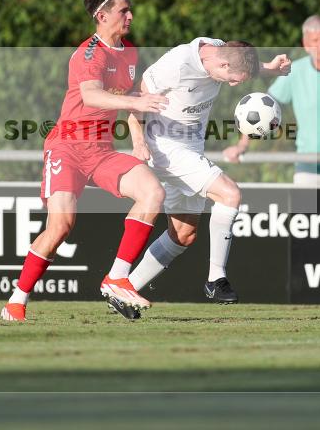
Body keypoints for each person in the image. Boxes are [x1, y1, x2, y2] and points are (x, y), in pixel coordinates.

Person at [1, 0, 169, 322]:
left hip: (101, 151)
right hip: (66, 147)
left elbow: (129, 104)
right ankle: (16, 301)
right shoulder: (89, 54)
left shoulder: (130, 52)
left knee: (153, 193)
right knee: (61, 227)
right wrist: (135, 101)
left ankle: (117, 277)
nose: (130, 16)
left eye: (130, 10)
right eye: (123, 11)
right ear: (102, 16)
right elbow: (92, 95)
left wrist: (138, 142)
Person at [114, 38, 290, 317]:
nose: (233, 84)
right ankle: (216, 279)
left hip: (191, 149)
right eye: (233, 79)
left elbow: (240, 64)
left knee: (183, 235)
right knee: (230, 193)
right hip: (165, 148)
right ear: (223, 65)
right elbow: (136, 99)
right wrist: (138, 142)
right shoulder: (177, 64)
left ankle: (123, 291)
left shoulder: (221, 51)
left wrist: (270, 68)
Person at [223, 15, 320, 185]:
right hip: (308, 167)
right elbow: (258, 109)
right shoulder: (296, 71)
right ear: (305, 44)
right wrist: (242, 145)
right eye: (315, 40)